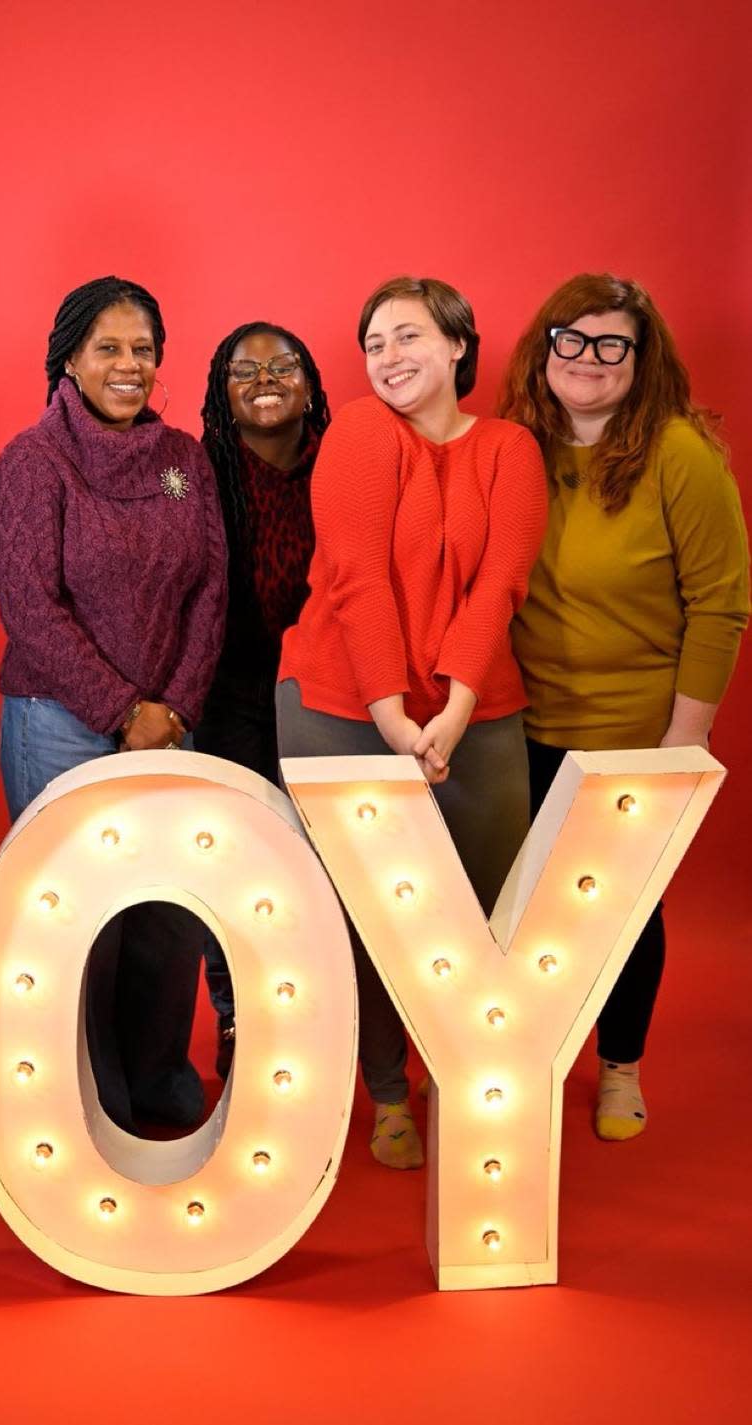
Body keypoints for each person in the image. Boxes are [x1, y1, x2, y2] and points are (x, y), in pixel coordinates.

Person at [277, 276, 548, 1168]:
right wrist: (392, 715)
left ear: (460, 345)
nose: (388, 358)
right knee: (365, 912)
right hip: (344, 706)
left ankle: (465, 1073)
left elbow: (499, 581)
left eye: (408, 337)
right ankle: (388, 1088)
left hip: (477, 708)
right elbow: (353, 576)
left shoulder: (511, 448)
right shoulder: (359, 431)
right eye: (374, 344)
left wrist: (458, 705)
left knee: (479, 912)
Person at [499, 273, 749, 1141]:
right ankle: (529, 1057)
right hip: (523, 723)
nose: (590, 360)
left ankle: (620, 1067)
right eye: (574, 339)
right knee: (524, 905)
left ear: (642, 361)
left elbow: (721, 602)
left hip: (638, 733)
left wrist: (682, 741)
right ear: (546, 345)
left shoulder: (679, 452)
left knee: (626, 909)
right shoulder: (514, 447)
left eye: (613, 345)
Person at [0, 276, 226, 1131]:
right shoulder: (31, 462)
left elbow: (210, 591)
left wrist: (175, 707)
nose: (130, 366)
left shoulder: (184, 459)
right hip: (61, 725)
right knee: (84, 927)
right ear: (70, 360)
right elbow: (30, 610)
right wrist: (126, 710)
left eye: (143, 350)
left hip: (173, 724)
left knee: (167, 914)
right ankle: (89, 1105)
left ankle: (159, 1086)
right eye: (109, 349)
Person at [193, 322, 331, 1074]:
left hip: (324, 689)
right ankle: (240, 1015)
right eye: (244, 369)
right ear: (222, 390)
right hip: (226, 688)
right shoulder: (195, 469)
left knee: (319, 858)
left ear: (311, 384)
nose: (266, 378)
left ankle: (313, 1011)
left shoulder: (345, 463)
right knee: (235, 859)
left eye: (284, 365)